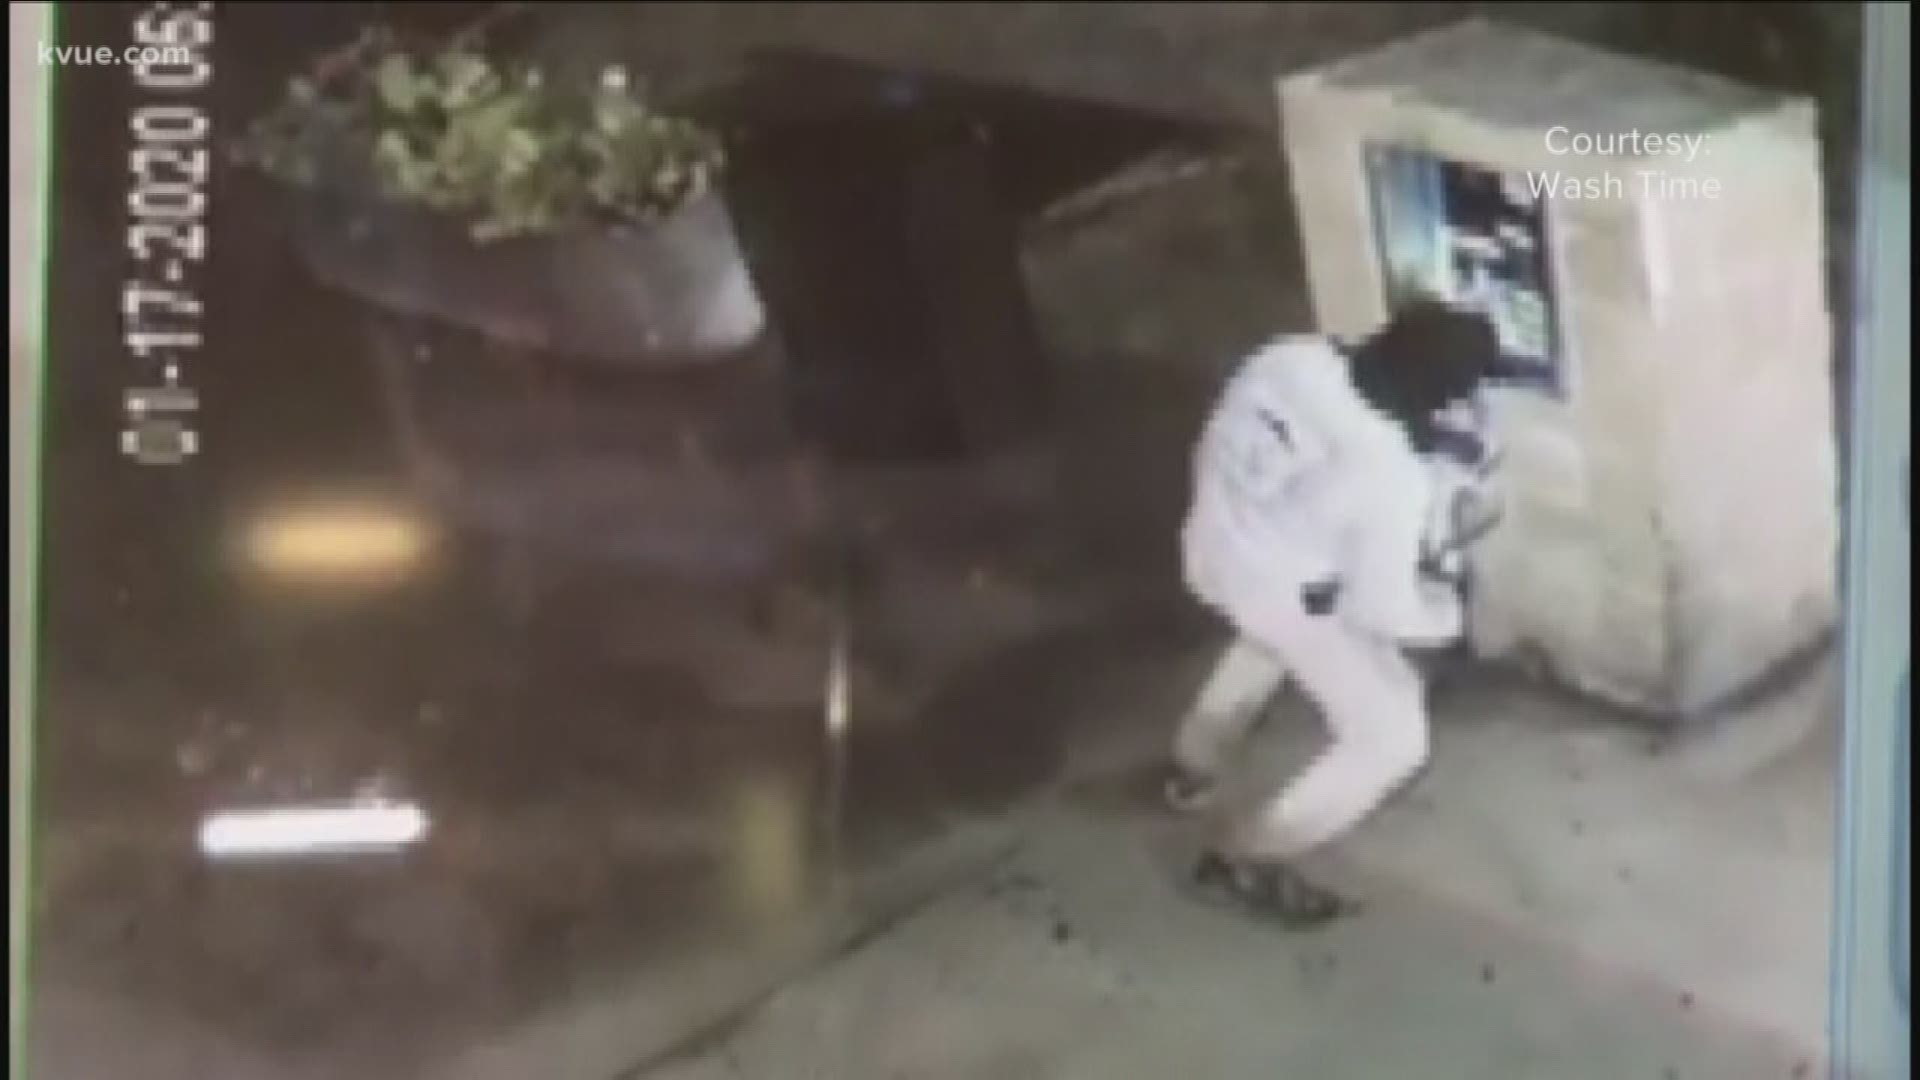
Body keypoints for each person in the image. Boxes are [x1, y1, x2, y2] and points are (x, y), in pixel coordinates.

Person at [1169, 298, 1504, 927]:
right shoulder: (1390, 474)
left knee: (1270, 633)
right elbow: (1385, 609)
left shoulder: (1289, 356)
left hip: (1215, 543)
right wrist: (1448, 612)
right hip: (1281, 587)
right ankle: (1251, 853)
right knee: (1395, 734)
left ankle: (1194, 762)